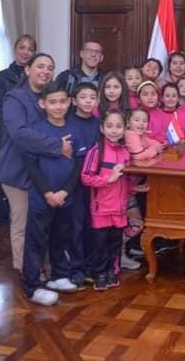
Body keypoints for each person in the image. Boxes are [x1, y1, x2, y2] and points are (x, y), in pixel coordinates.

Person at [0, 53, 72, 271]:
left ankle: (42, 266)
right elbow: (19, 134)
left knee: (42, 225)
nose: (46, 71)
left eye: (50, 67)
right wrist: (57, 145)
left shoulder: (52, 98)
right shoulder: (14, 98)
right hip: (16, 173)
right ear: (27, 70)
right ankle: (25, 271)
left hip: (44, 174)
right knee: (22, 224)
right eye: (40, 66)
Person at [22, 82, 86, 306]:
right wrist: (48, 193)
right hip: (42, 197)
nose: (58, 106)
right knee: (36, 242)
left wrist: (65, 191)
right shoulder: (37, 131)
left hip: (66, 197)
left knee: (61, 237)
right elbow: (32, 166)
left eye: (62, 101)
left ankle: (59, 276)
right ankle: (32, 287)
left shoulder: (74, 130)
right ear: (42, 104)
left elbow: (78, 166)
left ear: (69, 103)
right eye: (52, 102)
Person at [81, 110, 131, 291]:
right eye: (109, 126)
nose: (114, 130)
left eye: (119, 126)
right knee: (99, 243)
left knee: (115, 242)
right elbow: (85, 177)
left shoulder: (126, 152)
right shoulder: (96, 151)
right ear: (102, 128)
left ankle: (111, 271)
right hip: (101, 208)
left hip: (119, 208)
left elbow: (126, 179)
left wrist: (135, 188)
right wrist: (107, 179)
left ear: (125, 128)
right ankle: (99, 273)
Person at [0, 34, 37, 221]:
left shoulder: (38, 76)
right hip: (10, 138)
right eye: (22, 48)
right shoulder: (3, 77)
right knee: (13, 194)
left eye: (30, 49)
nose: (26, 52)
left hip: (34, 138)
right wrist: (18, 124)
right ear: (15, 49)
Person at [65, 82, 100, 288]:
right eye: (83, 97)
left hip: (95, 183)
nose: (88, 101)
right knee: (75, 226)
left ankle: (90, 267)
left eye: (92, 98)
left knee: (91, 225)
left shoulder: (98, 123)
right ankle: (75, 268)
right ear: (74, 101)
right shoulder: (68, 123)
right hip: (74, 183)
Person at [123, 108, 164, 270]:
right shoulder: (130, 134)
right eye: (137, 120)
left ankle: (127, 250)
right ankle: (118, 252)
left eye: (144, 121)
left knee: (135, 223)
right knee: (133, 224)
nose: (141, 124)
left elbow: (153, 143)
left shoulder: (140, 136)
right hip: (123, 188)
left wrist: (157, 146)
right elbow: (138, 155)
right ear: (128, 122)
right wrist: (154, 150)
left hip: (132, 187)